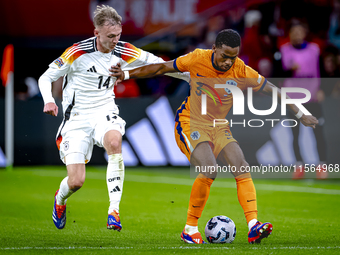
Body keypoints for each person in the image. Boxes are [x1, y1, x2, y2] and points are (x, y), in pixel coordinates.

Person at [109, 29, 319, 244]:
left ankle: (253, 225)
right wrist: (126, 74)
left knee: (241, 165)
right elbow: (163, 67)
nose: (228, 62)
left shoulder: (241, 71)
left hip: (218, 125)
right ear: (214, 49)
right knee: (210, 170)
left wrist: (301, 113)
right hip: (190, 122)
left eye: (233, 57)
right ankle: (189, 229)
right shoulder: (197, 58)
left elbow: (274, 89)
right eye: (225, 56)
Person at [38, 5, 189, 231]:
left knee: (114, 142)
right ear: (96, 33)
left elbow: (158, 64)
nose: (115, 40)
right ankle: (60, 200)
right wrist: (48, 99)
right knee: (76, 181)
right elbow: (46, 77)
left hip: (104, 110)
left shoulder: (125, 50)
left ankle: (114, 211)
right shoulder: (76, 52)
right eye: (110, 36)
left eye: (118, 35)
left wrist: (188, 77)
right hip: (76, 118)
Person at [280, 21, 327, 179]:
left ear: (304, 33)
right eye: (294, 32)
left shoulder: (314, 50)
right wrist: (288, 70)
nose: (297, 35)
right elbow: (276, 73)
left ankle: (322, 165)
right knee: (295, 134)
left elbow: (322, 70)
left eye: (300, 32)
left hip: (312, 98)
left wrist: (323, 89)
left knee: (318, 132)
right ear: (290, 34)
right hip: (293, 100)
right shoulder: (284, 51)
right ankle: (299, 166)